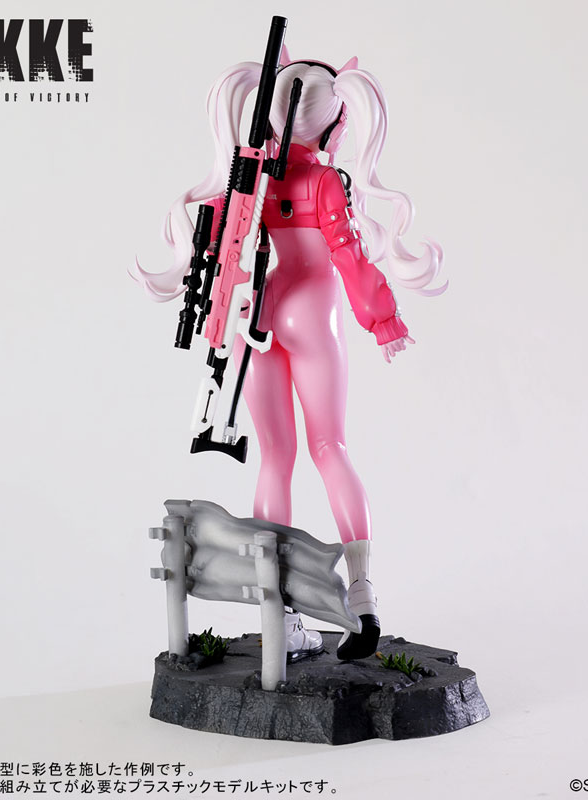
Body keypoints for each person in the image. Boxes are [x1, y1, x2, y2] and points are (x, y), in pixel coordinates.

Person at [132, 50, 446, 661]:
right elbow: (349, 257)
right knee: (330, 448)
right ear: (334, 123)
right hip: (312, 309)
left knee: (275, 458)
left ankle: (280, 610)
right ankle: (361, 591)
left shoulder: (252, 179)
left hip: (261, 308)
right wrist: (383, 319)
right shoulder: (325, 182)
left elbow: (222, 244)